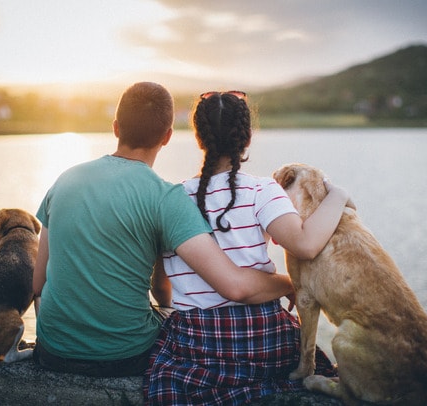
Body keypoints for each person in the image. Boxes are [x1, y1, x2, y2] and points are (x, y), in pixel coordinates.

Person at [31, 82, 295, 377]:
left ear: (116, 128)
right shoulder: (165, 198)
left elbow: (38, 284)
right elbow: (234, 286)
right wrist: (290, 283)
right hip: (125, 355)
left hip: (52, 351)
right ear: (168, 136)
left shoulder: (65, 180)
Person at [144, 90, 352, 406]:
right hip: (264, 338)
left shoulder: (174, 199)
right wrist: (338, 196)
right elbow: (307, 246)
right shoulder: (262, 190)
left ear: (198, 139)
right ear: (247, 138)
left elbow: (161, 290)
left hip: (198, 342)